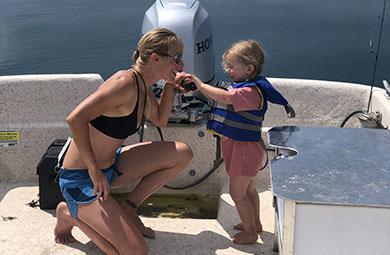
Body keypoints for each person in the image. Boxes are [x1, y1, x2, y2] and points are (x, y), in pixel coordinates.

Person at [54, 28, 193, 255]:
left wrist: (170, 86)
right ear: (156, 58)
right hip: (82, 178)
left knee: (182, 153)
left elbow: (160, 119)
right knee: (136, 252)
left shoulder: (143, 86)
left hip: (112, 165)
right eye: (176, 59)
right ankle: (69, 214)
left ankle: (129, 208)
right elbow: (75, 119)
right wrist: (93, 171)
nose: (181, 66)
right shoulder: (124, 83)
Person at [180, 39, 294, 244]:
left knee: (236, 192)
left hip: (245, 150)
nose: (228, 71)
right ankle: (255, 224)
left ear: (249, 68)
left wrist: (199, 84)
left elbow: (224, 98)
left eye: (232, 67)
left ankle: (250, 232)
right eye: (227, 66)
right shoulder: (244, 87)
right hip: (241, 147)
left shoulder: (249, 92)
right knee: (248, 190)